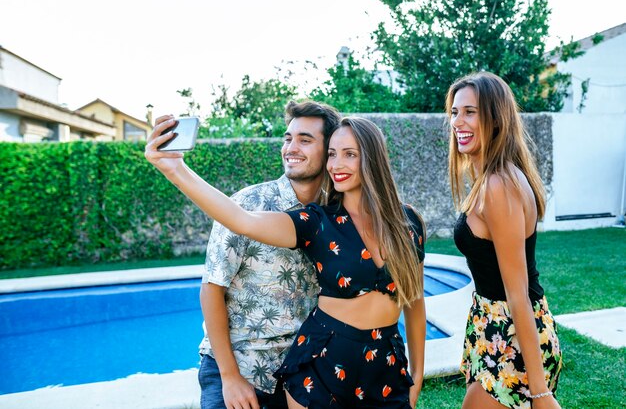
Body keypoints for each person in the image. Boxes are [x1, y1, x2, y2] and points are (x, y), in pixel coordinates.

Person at [145, 115, 427, 409]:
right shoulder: (317, 222)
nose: (336, 165)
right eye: (332, 154)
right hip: (322, 366)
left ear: (372, 159)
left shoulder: (409, 222)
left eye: (350, 154)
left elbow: (415, 301)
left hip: (386, 366)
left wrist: (417, 375)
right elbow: (241, 219)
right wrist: (175, 169)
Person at [192, 100, 341, 409]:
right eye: (288, 138)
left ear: (329, 150)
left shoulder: (336, 214)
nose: (291, 147)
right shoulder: (246, 204)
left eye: (305, 139)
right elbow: (211, 289)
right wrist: (230, 377)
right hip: (238, 366)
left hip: (302, 371)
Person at [446, 72, 562, 409]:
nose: (458, 122)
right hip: (490, 328)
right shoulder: (490, 178)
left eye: (471, 112)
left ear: (496, 118)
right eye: (455, 112)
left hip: (511, 338)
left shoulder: (500, 185)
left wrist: (540, 393)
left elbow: (518, 293)